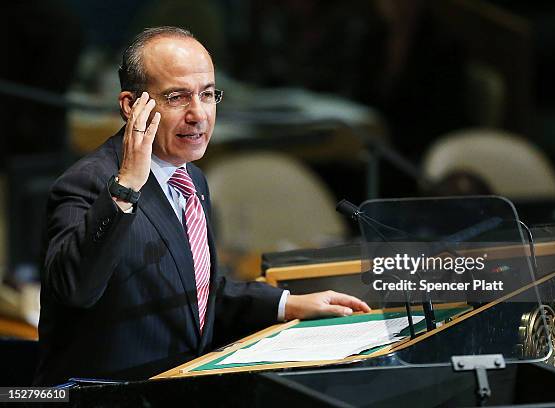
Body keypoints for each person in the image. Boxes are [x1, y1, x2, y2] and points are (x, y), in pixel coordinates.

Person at [34, 26, 370, 386]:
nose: (199, 114)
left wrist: (288, 303)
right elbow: (75, 290)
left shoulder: (192, 179)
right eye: (178, 97)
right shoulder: (90, 182)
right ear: (132, 106)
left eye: (207, 95)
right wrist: (127, 185)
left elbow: (195, 291)